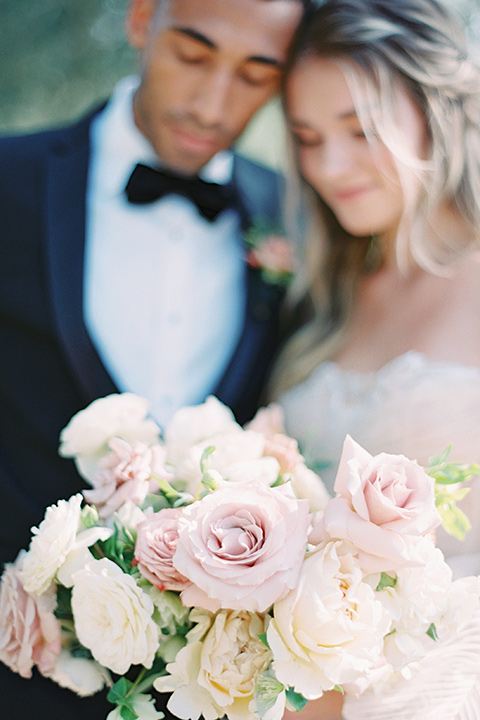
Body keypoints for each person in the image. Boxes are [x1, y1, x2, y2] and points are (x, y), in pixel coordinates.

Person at [0, 0, 307, 717]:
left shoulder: (294, 216)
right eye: (192, 56)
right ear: (142, 20)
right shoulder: (8, 183)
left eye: (256, 75)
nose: (212, 104)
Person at [272, 0, 480, 717]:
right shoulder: (319, 303)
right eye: (306, 136)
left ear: (436, 112)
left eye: (361, 131)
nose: (330, 167)